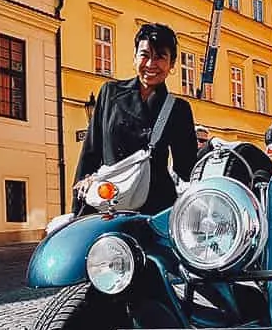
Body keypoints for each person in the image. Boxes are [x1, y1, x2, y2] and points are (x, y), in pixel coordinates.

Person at [74, 23, 198, 215]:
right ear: (135, 56)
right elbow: (90, 153)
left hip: (155, 210)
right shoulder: (110, 93)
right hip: (109, 203)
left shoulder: (178, 108)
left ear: (172, 63)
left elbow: (186, 168)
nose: (150, 64)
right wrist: (78, 211)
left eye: (160, 57)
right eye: (145, 55)